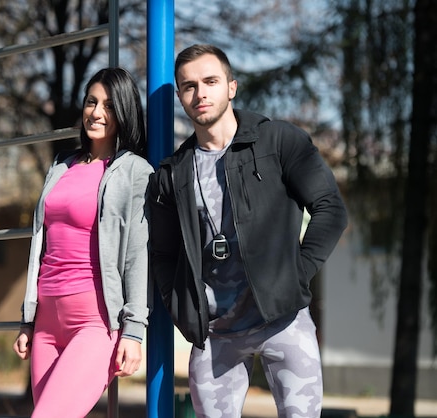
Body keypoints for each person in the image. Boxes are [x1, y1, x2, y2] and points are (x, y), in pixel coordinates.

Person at [149, 44, 348, 418]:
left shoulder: (278, 141)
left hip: (283, 321)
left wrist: (294, 276)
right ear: (180, 96)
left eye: (210, 81)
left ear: (231, 87)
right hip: (215, 333)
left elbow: (331, 210)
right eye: (189, 86)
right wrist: (182, 309)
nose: (200, 93)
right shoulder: (172, 173)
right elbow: (163, 252)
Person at [12, 67, 153, 418]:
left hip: (94, 321)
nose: (97, 112)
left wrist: (134, 332)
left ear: (124, 113)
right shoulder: (62, 165)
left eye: (108, 105)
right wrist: (29, 320)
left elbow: (139, 254)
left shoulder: (135, 171)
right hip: (46, 322)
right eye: (92, 102)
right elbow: (42, 245)